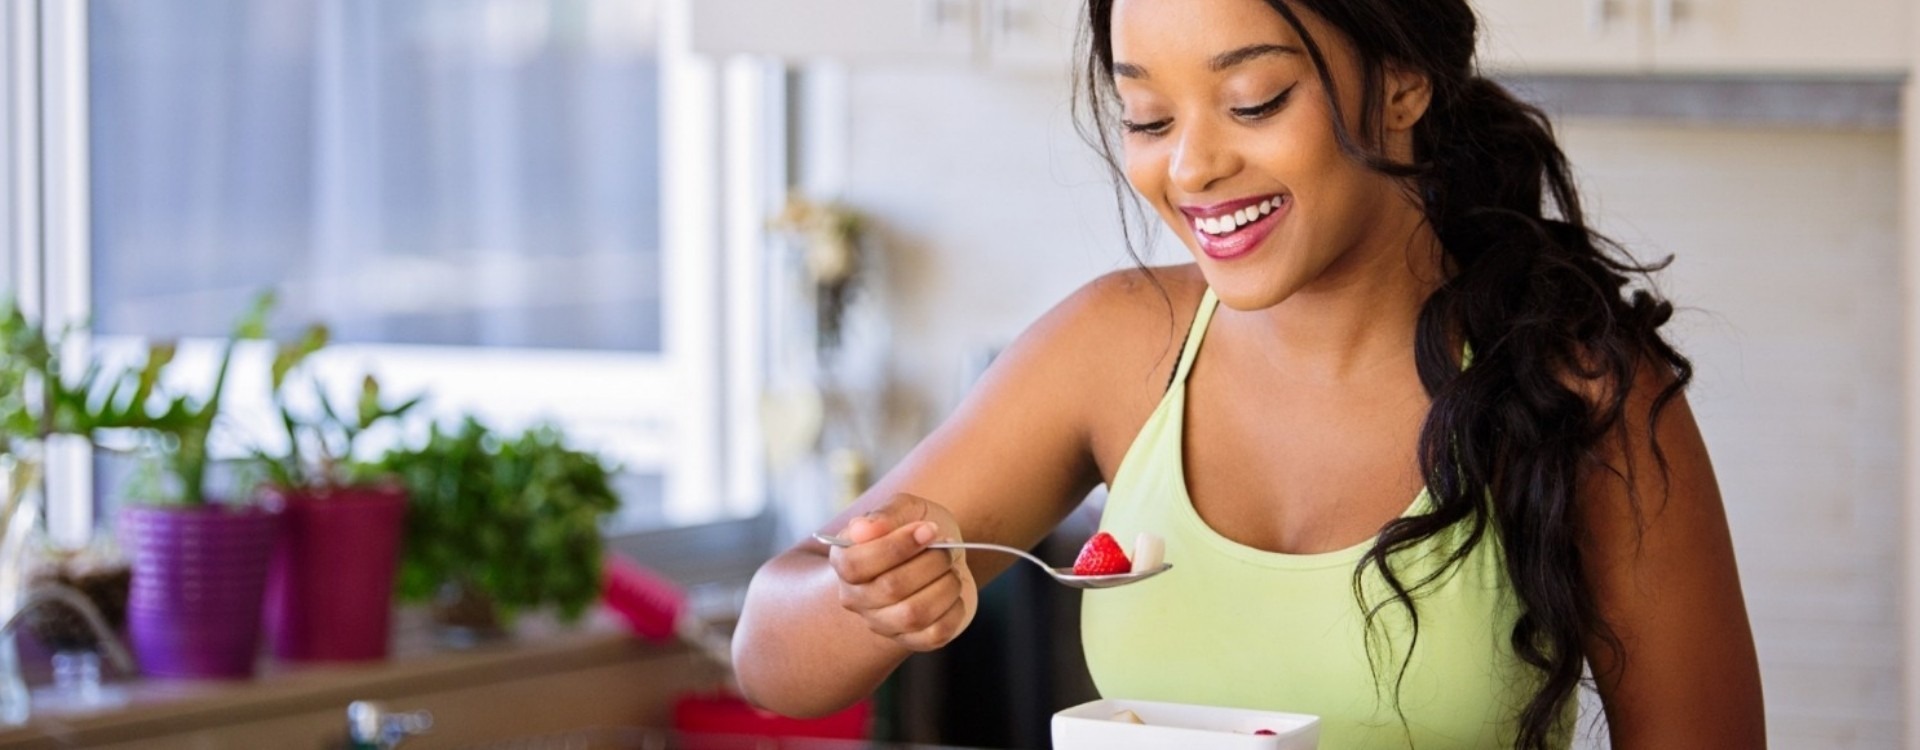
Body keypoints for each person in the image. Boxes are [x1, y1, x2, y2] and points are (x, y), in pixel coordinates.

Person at [730, 0, 1767, 747]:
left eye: (1255, 100)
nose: (1191, 168)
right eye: (1148, 118)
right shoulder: (1116, 347)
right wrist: (868, 602)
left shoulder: (1580, 392)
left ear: (1403, 83)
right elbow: (770, 657)